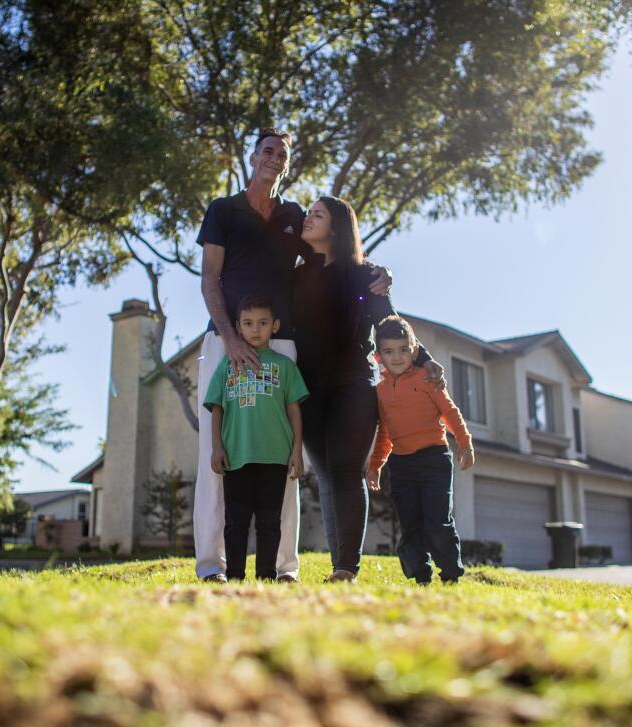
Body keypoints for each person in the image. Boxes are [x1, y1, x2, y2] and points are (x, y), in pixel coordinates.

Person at [194, 127, 393, 583]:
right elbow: (210, 279)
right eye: (267, 150)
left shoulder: (293, 216)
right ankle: (212, 566)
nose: (273, 158)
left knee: (282, 457)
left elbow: (337, 254)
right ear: (252, 157)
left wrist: (376, 273)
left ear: (286, 164)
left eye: (281, 154)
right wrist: (232, 338)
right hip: (225, 340)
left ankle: (284, 567)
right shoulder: (223, 211)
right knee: (215, 454)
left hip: (283, 347)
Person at [291, 196, 444, 583]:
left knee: (345, 473)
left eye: (318, 214)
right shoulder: (295, 276)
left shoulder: (362, 276)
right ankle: (338, 565)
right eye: (308, 213)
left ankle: (347, 568)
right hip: (307, 391)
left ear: (339, 227)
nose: (308, 218)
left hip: (352, 388)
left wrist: (425, 360)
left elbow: (388, 322)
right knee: (326, 476)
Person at [204, 294, 308, 581]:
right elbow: (216, 408)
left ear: (274, 326)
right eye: (248, 323)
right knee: (235, 521)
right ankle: (235, 576)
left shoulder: (285, 365)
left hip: (275, 457)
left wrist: (297, 451)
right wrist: (216, 448)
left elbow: (294, 410)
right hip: (236, 457)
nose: (255, 329)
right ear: (238, 327)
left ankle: (266, 576)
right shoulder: (227, 365)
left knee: (269, 522)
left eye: (262, 323)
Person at [367, 315, 475, 585]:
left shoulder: (428, 378)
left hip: (434, 460)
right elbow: (385, 433)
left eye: (404, 350)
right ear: (379, 357)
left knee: (438, 522)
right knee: (410, 525)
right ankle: (420, 578)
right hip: (402, 465)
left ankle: (451, 576)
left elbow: (450, 412)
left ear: (415, 350)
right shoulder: (379, 391)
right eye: (389, 352)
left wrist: (464, 442)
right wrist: (375, 465)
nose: (398, 357)